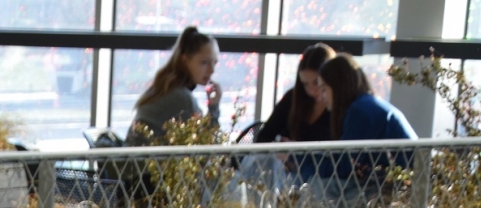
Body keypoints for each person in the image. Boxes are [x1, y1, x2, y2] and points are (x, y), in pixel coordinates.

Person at [311, 54, 416, 198]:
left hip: (398, 187)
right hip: (396, 182)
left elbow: (344, 167)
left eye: (324, 89)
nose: (321, 96)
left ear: (338, 86)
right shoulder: (365, 105)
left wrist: (302, 161)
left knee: (319, 186)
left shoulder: (360, 111)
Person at [242, 43, 333, 188]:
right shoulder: (294, 98)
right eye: (305, 84)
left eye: (316, 82)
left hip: (320, 180)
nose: (312, 90)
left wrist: (295, 156)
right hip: (283, 176)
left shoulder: (338, 107)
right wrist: (278, 149)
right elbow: (264, 137)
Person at [126, 27, 220, 146]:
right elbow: (207, 145)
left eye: (214, 63)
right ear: (185, 60)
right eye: (204, 62)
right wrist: (214, 108)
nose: (212, 70)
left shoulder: (165, 86)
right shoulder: (181, 98)